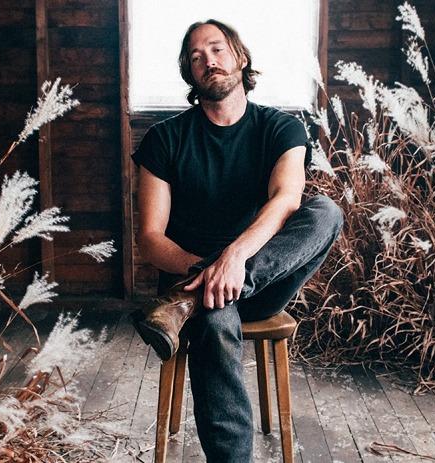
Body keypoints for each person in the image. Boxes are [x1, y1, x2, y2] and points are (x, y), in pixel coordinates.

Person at [131, 19, 343, 462]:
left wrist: (234, 261)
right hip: (190, 283)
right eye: (195, 57)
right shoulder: (164, 139)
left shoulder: (280, 128)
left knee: (325, 211)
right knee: (215, 315)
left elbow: (288, 199)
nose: (208, 60)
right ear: (190, 75)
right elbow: (150, 238)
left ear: (240, 58)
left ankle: (204, 294)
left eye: (216, 49)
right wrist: (207, 275)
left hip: (258, 282)